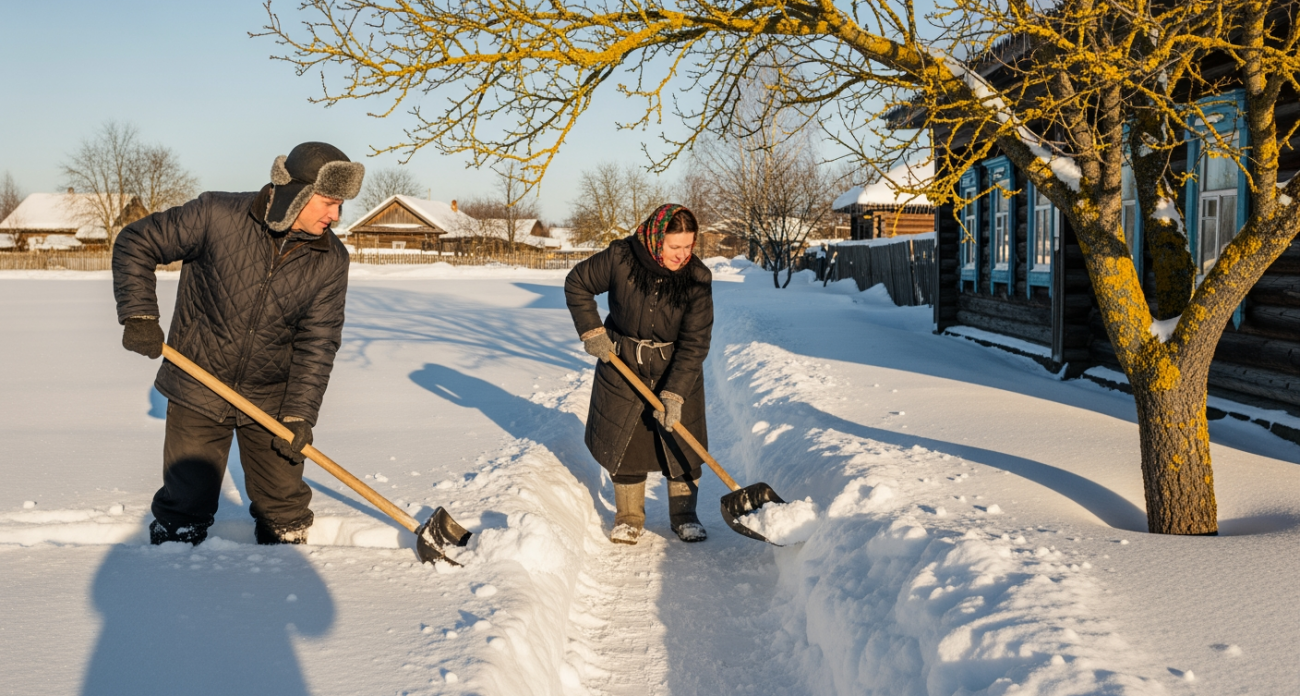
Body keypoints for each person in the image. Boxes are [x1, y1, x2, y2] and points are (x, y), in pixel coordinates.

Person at [112, 142, 363, 546]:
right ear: (298, 194)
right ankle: (171, 586)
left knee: (284, 512)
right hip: (198, 384)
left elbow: (318, 341)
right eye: (330, 203)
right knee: (184, 508)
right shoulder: (216, 215)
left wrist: (299, 415)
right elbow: (136, 242)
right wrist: (139, 314)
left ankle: (280, 589)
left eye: (340, 206)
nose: (336, 216)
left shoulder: (330, 258)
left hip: (270, 399)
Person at [565, 204, 714, 544]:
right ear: (655, 238)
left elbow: (695, 343)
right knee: (626, 443)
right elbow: (577, 283)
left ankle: (685, 515)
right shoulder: (621, 257)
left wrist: (674, 393)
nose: (683, 255)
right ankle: (629, 517)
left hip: (675, 368)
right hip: (622, 365)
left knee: (681, 445)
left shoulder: (697, 278)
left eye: (689, 246)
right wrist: (593, 332)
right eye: (675, 247)